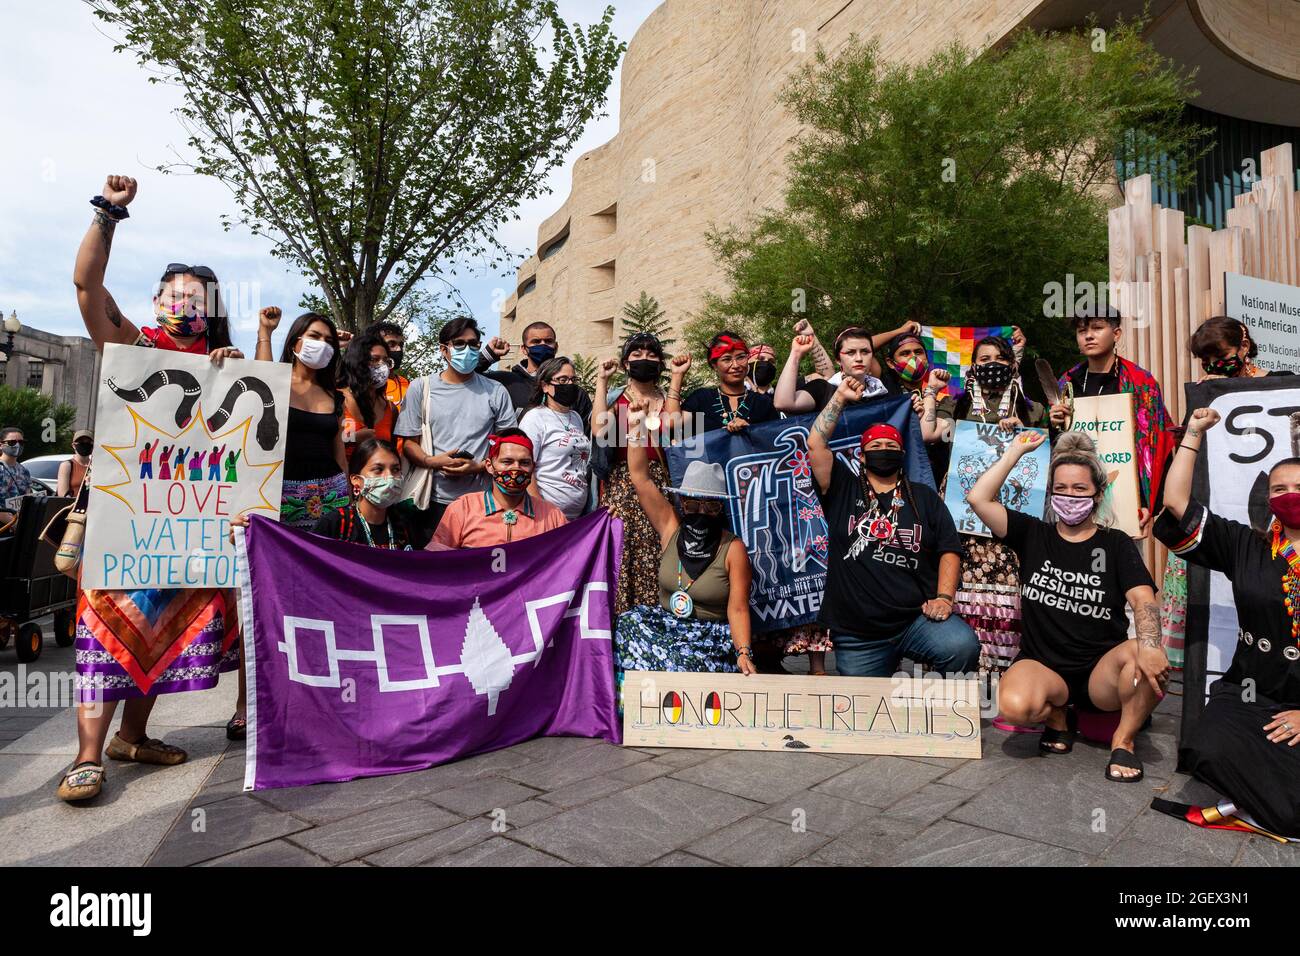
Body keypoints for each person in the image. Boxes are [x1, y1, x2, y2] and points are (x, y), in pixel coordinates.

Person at [60, 174, 242, 802]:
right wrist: (108, 212)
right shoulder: (135, 345)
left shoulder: (231, 367)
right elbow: (87, 285)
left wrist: (233, 376)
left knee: (165, 632)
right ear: (159, 300)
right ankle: (87, 756)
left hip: (190, 530)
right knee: (106, 628)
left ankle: (131, 738)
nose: (185, 304)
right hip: (124, 523)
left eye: (197, 297)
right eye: (175, 294)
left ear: (211, 309)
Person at [968, 431, 1166, 782]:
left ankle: (1125, 740)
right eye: (1061, 489)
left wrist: (1151, 645)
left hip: (1100, 674)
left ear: (1097, 494)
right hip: (1044, 667)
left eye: (1079, 489)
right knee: (1013, 706)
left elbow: (1142, 598)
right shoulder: (1032, 534)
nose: (1069, 496)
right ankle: (1058, 716)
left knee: (1146, 656)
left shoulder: (1115, 543)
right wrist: (1015, 451)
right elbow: (978, 498)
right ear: (1050, 493)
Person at [1153, 407, 1300, 837]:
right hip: (1252, 689)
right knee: (1206, 747)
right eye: (1279, 488)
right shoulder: (1245, 545)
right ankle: (1272, 795)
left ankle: (1268, 799)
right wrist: (1194, 434)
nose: (1289, 494)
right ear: (1268, 498)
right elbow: (1176, 503)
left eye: (1298, 486)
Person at [807, 377, 979, 678]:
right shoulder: (841, 488)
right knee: (864, 715)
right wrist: (841, 398)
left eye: (890, 446)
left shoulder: (923, 496)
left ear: (901, 455)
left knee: (961, 645)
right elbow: (816, 443)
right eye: (875, 446)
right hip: (858, 633)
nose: (883, 450)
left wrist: (944, 598)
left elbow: (949, 549)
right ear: (862, 456)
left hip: (916, 621)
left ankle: (938, 713)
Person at [1160, 316, 1298, 671]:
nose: (1211, 366)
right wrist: (1210, 399)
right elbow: (1190, 458)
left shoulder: (1283, 386)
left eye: (1218, 355)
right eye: (1204, 359)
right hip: (1217, 516)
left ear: (1244, 346)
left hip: (1270, 518)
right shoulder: (1210, 393)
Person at [612, 400, 758, 675]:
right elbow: (640, 477)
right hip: (667, 627)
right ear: (682, 503)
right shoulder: (671, 527)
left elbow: (738, 608)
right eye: (692, 505)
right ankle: (629, 710)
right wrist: (635, 427)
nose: (700, 512)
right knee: (627, 624)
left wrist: (743, 652)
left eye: (710, 506)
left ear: (720, 508)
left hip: (708, 637)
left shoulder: (731, 547)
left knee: (682, 666)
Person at [944, 334, 1046, 710]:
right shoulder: (955, 405)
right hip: (963, 508)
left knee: (1007, 593)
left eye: (999, 359)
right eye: (983, 358)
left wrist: (1025, 429)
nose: (991, 365)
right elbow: (935, 436)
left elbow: (1050, 444)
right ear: (972, 368)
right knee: (966, 589)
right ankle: (967, 678)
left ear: (1012, 365)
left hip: (1012, 510)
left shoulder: (1032, 409)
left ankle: (1007, 680)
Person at [1051, 307, 1174, 534]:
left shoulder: (1140, 382)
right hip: (1073, 499)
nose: (1088, 335)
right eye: (1081, 330)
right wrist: (1054, 422)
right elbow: (1056, 445)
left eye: (1097, 328)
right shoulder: (1066, 383)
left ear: (1116, 334)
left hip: (1126, 502)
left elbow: (1157, 445)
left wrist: (1147, 504)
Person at [395, 317, 517, 539]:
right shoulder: (421, 388)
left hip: (484, 501)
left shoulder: (496, 391)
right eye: (459, 343)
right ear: (444, 349)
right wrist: (432, 461)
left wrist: (479, 466)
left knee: (479, 569)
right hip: (430, 501)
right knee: (434, 567)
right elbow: (408, 444)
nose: (467, 349)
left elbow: (508, 445)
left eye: (473, 344)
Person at [592, 331, 674, 614]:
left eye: (651, 355)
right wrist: (602, 381)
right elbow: (600, 431)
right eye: (637, 355)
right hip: (623, 485)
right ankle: (622, 632)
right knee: (622, 553)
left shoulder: (669, 399)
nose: (644, 360)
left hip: (661, 485)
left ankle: (657, 629)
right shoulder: (616, 399)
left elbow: (678, 434)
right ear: (626, 363)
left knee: (660, 552)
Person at [255, 308, 349, 529]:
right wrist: (265, 332)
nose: (322, 344)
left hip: (331, 496)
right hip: (281, 496)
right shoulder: (276, 385)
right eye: (314, 336)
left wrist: (349, 502)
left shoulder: (336, 397)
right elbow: (261, 375)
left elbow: (340, 456)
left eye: (328, 340)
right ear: (293, 343)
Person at [428, 429, 566, 549]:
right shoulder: (462, 509)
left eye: (524, 463)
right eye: (507, 462)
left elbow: (568, 559)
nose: (516, 468)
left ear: (533, 468)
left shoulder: (552, 515)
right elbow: (436, 563)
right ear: (489, 465)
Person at [480, 321, 593, 428]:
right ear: (524, 349)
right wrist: (487, 356)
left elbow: (588, 433)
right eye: (536, 342)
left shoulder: (575, 391)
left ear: (556, 347)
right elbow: (465, 378)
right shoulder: (506, 382)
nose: (543, 345)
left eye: (548, 341)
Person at [519, 357, 592, 520]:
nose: (569, 384)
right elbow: (525, 467)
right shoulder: (535, 418)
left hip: (576, 517)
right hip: (546, 516)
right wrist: (540, 512)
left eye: (573, 379)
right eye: (562, 380)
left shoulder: (576, 417)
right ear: (545, 386)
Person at [668, 331, 780, 435]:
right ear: (714, 365)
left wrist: (751, 430)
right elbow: (672, 423)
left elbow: (775, 441)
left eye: (741, 357)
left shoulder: (763, 403)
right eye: (727, 359)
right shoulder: (701, 399)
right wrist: (677, 375)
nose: (735, 365)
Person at [774, 325, 894, 416]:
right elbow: (783, 403)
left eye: (865, 352)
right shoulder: (823, 389)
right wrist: (796, 354)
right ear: (838, 360)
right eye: (850, 352)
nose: (859, 358)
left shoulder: (883, 390)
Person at [340, 327, 398, 459]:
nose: (381, 366)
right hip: (340, 477)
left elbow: (392, 453)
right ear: (357, 362)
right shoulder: (335, 399)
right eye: (374, 359)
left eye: (385, 361)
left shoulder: (390, 409)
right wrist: (353, 438)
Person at [1, 427, 44, 527]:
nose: (17, 445)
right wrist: (16, 524)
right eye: (12, 442)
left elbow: (28, 498)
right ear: (1, 445)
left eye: (21, 442)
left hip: (20, 527)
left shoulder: (24, 471)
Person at [367, 320, 411, 411]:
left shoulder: (409, 386)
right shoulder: (357, 383)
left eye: (401, 345)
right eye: (392, 344)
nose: (399, 349)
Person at [57, 430, 95, 498]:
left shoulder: (95, 466)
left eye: (88, 442)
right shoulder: (67, 465)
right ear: (74, 445)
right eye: (81, 442)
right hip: (73, 507)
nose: (85, 445)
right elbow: (63, 495)